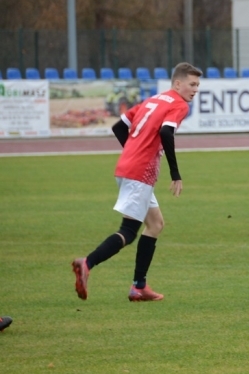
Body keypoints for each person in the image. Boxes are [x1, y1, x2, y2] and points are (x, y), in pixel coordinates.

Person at [71, 62, 202, 302]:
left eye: (198, 85)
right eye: (192, 84)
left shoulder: (152, 101)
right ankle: (87, 263)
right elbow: (166, 133)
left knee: (156, 224)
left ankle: (139, 287)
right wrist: (175, 173)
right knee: (129, 231)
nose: (195, 89)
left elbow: (119, 126)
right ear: (177, 84)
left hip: (129, 168)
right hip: (139, 173)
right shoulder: (179, 104)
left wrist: (134, 151)